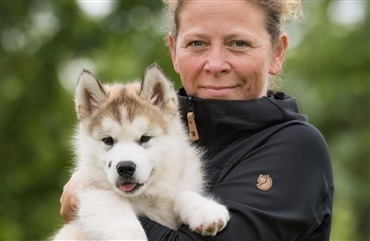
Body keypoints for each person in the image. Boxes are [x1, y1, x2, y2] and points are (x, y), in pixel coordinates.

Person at [60, 0, 334, 240]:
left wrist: (98, 199)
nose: (215, 64)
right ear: (174, 52)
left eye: (239, 43)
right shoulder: (155, 121)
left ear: (277, 53)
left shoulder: (296, 148)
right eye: (197, 43)